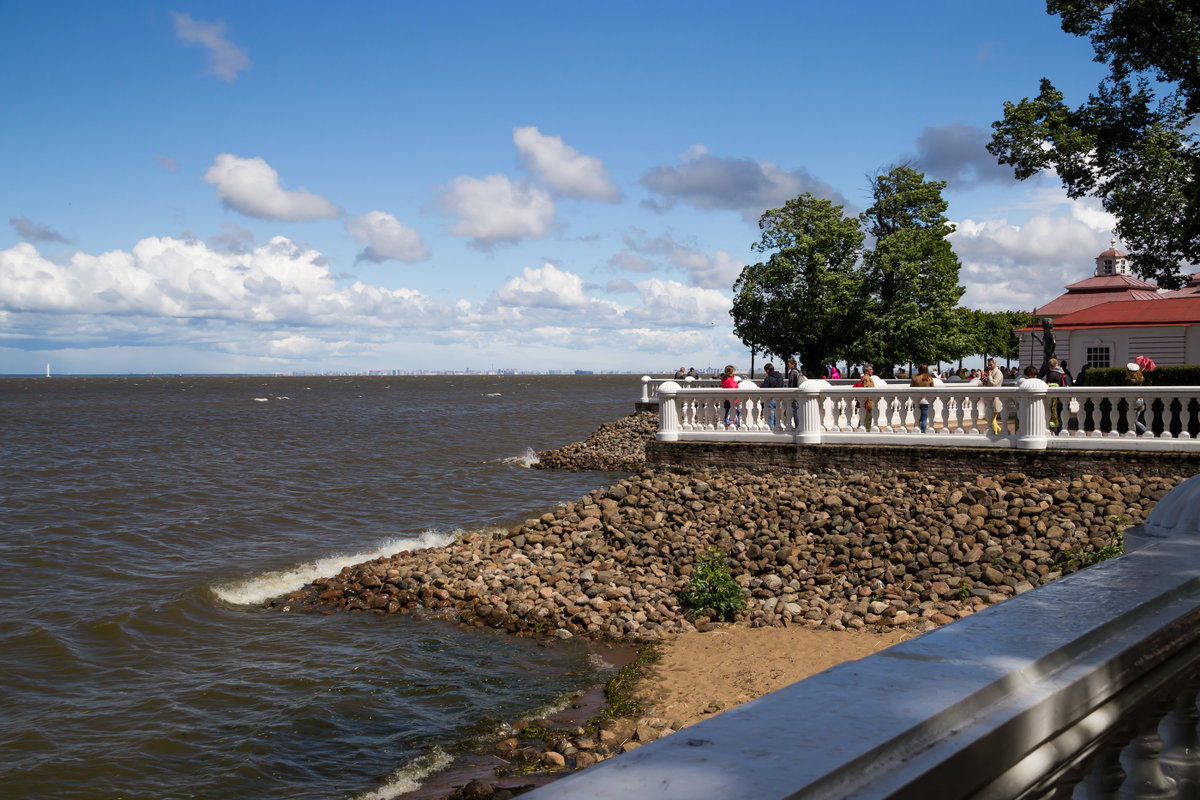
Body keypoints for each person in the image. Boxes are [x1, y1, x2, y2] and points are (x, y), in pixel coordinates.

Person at [910, 363, 935, 433]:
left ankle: (916, 431)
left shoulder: (915, 378)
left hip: (916, 400)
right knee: (924, 419)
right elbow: (933, 389)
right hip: (926, 401)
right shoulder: (929, 378)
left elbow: (911, 388)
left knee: (917, 419)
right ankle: (923, 432)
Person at [1045, 357, 1068, 433]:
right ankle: (1061, 430)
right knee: (1061, 415)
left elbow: (1048, 386)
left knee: (1054, 415)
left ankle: (1056, 431)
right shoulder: (1061, 373)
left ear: (1049, 366)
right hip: (1061, 397)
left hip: (1053, 398)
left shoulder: (1051, 374)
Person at [1125, 362, 1148, 435]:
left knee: (1133, 420)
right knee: (1135, 419)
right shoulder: (1140, 379)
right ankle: (1136, 432)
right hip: (1141, 400)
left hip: (1134, 401)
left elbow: (1129, 392)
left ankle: (1144, 431)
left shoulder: (1129, 381)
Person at [983, 358, 1005, 434]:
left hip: (996, 398)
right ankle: (999, 433)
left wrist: (989, 376)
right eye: (988, 364)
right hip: (991, 398)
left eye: (990, 364)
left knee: (992, 419)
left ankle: (999, 433)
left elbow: (994, 384)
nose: (989, 366)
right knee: (992, 419)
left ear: (995, 364)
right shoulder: (993, 372)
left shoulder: (998, 373)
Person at [762, 363, 785, 428]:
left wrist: (762, 386)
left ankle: (772, 429)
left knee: (770, 417)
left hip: (771, 399)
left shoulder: (768, 378)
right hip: (779, 398)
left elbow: (765, 388)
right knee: (777, 416)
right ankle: (777, 429)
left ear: (767, 370)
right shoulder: (780, 377)